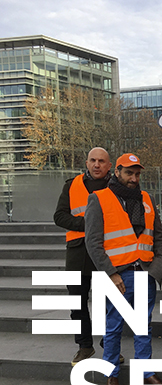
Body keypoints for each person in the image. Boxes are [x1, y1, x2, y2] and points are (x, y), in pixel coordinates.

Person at [84, 153, 162, 385]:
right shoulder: (99, 198)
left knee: (143, 326)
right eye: (129, 173)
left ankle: (146, 372)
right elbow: (93, 242)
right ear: (117, 172)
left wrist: (156, 269)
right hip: (117, 275)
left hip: (144, 272)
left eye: (137, 174)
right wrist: (111, 274)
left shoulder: (147, 199)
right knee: (113, 327)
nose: (134, 178)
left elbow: (158, 237)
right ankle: (111, 375)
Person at [53, 147, 112, 366]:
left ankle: (110, 346)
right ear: (86, 163)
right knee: (77, 303)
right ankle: (84, 346)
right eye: (93, 160)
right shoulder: (71, 185)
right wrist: (88, 224)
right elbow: (59, 216)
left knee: (108, 305)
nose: (97, 165)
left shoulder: (115, 187)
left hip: (106, 253)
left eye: (101, 161)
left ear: (109, 166)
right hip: (77, 253)